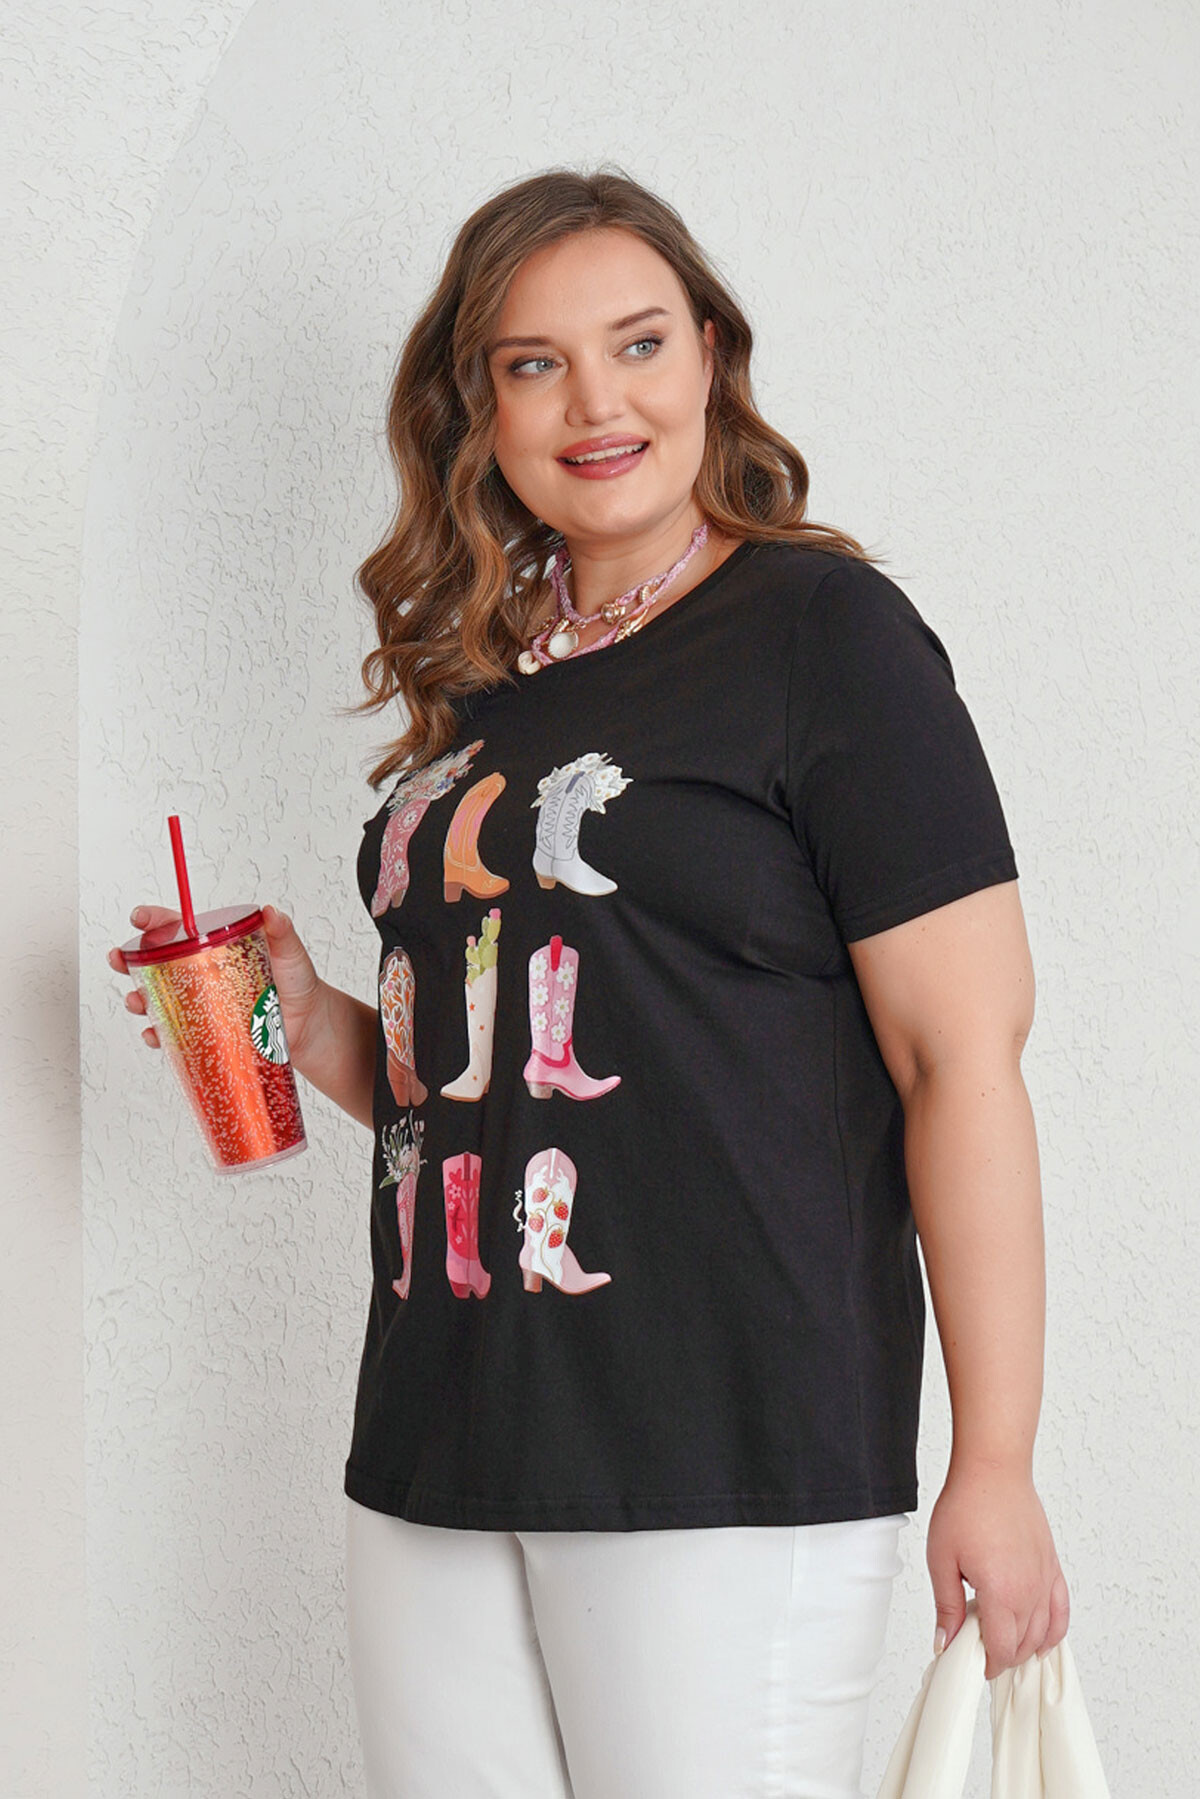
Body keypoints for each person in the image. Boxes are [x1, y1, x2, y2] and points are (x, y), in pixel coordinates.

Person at [109, 167, 1070, 1799]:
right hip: (438, 1444)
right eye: (534, 364)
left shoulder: (825, 636)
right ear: (477, 409)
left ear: (711, 357)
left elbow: (961, 1059)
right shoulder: (487, 687)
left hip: (720, 1448)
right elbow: (478, 1082)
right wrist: (311, 1015)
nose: (597, 402)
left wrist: (996, 1459)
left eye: (637, 344)